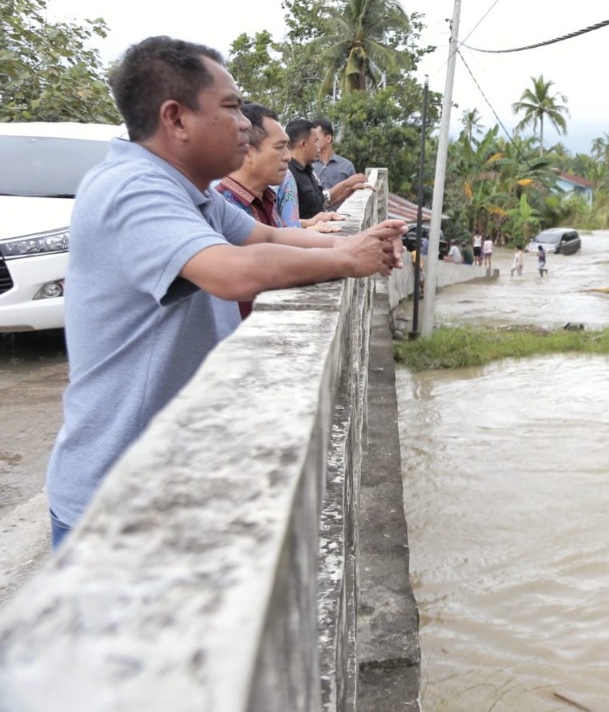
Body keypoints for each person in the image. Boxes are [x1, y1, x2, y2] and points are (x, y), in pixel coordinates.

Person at [44, 36, 405, 549]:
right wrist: (347, 260)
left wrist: (353, 242)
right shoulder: (133, 188)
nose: (244, 124)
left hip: (171, 479)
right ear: (176, 118)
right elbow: (230, 272)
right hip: (117, 499)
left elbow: (269, 235)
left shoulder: (190, 191)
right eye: (232, 107)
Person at [214, 103, 289, 318]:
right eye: (279, 147)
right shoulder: (222, 206)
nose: (287, 156)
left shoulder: (267, 199)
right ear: (247, 150)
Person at [310, 118, 357, 190]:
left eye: (317, 139)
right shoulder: (309, 166)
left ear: (328, 138)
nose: (313, 142)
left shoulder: (347, 166)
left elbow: (354, 193)